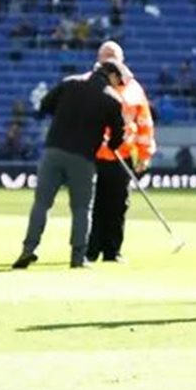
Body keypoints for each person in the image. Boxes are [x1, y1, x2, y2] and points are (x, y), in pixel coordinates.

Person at [14, 61, 127, 269]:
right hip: (83, 158)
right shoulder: (112, 98)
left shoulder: (69, 82)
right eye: (118, 80)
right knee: (81, 208)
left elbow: (45, 106)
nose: (118, 85)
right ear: (111, 75)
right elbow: (119, 135)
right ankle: (77, 257)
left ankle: (28, 249)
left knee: (41, 204)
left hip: (53, 151)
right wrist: (109, 142)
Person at [87, 41, 156, 263]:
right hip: (93, 153)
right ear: (98, 59)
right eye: (105, 55)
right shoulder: (88, 83)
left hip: (122, 154)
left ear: (121, 60)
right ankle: (89, 251)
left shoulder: (134, 89)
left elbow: (144, 123)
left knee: (118, 204)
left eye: (113, 56)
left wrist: (145, 153)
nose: (109, 60)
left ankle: (112, 251)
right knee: (91, 204)